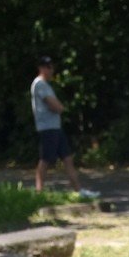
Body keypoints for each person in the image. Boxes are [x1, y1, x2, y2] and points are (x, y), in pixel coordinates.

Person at [31, 57, 90, 195]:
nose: (51, 70)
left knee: (68, 158)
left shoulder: (46, 85)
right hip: (47, 128)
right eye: (48, 67)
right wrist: (60, 107)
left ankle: (79, 191)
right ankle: (38, 192)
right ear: (41, 68)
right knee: (45, 160)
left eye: (51, 67)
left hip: (55, 127)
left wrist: (59, 106)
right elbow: (54, 105)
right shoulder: (39, 84)